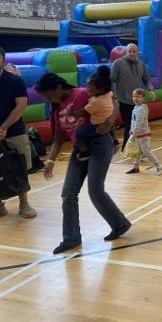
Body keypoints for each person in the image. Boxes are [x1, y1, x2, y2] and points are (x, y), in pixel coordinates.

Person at [35, 71, 131, 254]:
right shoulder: (54, 107)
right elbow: (58, 137)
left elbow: (113, 101)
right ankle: (71, 239)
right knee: (68, 193)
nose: (49, 100)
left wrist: (110, 125)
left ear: (58, 87)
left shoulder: (82, 94)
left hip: (100, 144)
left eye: (49, 95)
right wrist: (50, 161)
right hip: (79, 149)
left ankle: (119, 224)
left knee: (95, 190)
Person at [0, 47, 36, 218]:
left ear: (3, 59)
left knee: (20, 166)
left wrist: (4, 127)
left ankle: (24, 204)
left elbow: (20, 106)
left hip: (14, 131)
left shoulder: (15, 81)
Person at [111, 43, 156, 151]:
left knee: (138, 126)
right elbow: (111, 79)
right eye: (129, 51)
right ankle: (126, 149)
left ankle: (136, 149)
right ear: (126, 52)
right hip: (123, 100)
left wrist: (151, 90)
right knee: (129, 125)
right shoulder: (118, 63)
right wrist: (113, 96)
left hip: (138, 102)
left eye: (134, 51)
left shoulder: (141, 64)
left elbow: (147, 79)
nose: (131, 53)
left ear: (137, 52)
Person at [70, 67, 114, 161]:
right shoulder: (108, 94)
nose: (87, 89)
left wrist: (72, 113)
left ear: (101, 89)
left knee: (79, 133)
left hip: (97, 125)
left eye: (90, 87)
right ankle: (115, 141)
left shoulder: (96, 102)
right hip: (107, 120)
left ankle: (84, 152)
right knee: (110, 128)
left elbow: (82, 112)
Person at [126, 88, 162, 175]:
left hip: (143, 134)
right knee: (137, 152)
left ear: (143, 98)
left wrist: (133, 134)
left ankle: (159, 166)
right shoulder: (136, 107)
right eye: (134, 96)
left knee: (146, 151)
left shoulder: (141, 109)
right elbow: (133, 121)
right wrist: (131, 131)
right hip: (136, 134)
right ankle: (136, 167)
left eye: (138, 97)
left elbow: (139, 123)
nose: (135, 98)